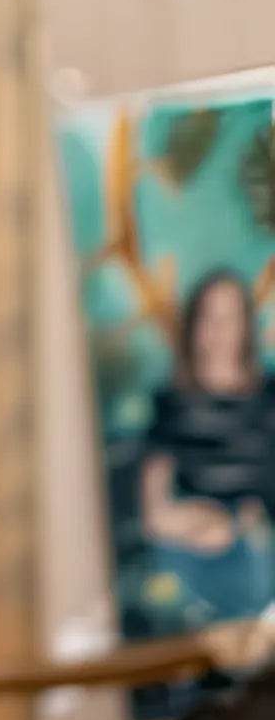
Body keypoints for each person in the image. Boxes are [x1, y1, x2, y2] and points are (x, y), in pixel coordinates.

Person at [140, 267, 275, 626]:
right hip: (187, 541)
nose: (219, 331)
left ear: (246, 325)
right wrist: (190, 525)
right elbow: (154, 511)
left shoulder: (269, 396)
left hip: (255, 547)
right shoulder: (170, 402)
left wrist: (234, 527)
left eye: (230, 318)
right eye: (209, 317)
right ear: (193, 326)